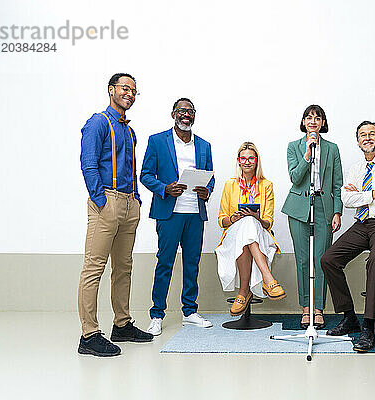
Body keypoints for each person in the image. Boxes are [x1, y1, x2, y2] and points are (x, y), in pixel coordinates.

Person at [78, 73, 153, 357]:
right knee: (94, 268)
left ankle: (122, 324)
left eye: (134, 90)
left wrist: (134, 199)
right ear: (111, 90)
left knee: (124, 268)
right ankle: (89, 334)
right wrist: (100, 200)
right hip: (106, 201)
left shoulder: (130, 131)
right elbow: (88, 163)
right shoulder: (98, 122)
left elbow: (130, 169)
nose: (130, 94)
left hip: (128, 203)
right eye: (125, 88)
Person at [321, 121, 375, 352]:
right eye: (362, 135)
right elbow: (347, 200)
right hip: (362, 224)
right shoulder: (356, 168)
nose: (367, 138)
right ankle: (350, 317)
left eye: (372, 134)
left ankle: (368, 326)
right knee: (329, 259)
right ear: (358, 141)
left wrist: (362, 196)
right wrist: (373, 194)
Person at [140, 98, 215, 336]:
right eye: (182, 111)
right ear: (173, 114)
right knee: (165, 263)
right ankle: (157, 314)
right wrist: (164, 188)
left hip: (195, 213)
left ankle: (190, 312)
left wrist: (208, 190)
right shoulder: (157, 141)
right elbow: (145, 175)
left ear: (194, 115)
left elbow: (210, 177)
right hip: (169, 214)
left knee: (192, 264)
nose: (186, 115)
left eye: (190, 112)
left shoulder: (204, 145)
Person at [281, 105, 343, 329]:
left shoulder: (332, 149)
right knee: (303, 260)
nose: (313, 121)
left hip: (323, 208)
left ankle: (318, 308)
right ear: (304, 122)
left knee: (322, 260)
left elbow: (337, 184)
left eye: (318, 118)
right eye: (309, 117)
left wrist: (337, 211)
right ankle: (306, 308)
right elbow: (295, 178)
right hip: (299, 207)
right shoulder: (294, 147)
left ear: (323, 123)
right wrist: (307, 154)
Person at [215, 142, 286, 315]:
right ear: (238, 161)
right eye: (243, 158)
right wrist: (233, 218)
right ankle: (268, 279)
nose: (247, 162)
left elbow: (269, 222)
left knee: (250, 224)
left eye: (251, 158)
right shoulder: (230, 185)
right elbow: (221, 220)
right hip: (233, 234)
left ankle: (243, 292)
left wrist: (256, 217)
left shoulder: (266, 185)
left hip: (259, 232)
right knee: (245, 225)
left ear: (256, 161)